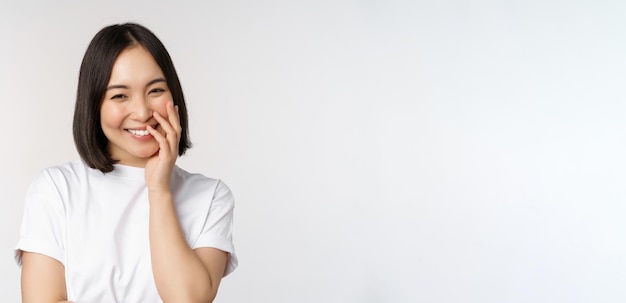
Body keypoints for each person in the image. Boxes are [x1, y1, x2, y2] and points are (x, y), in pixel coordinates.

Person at [14, 23, 237, 302]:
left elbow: (188, 300)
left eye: (155, 90)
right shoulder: (56, 189)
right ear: (94, 104)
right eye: (120, 95)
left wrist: (159, 190)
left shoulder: (211, 196)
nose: (143, 112)